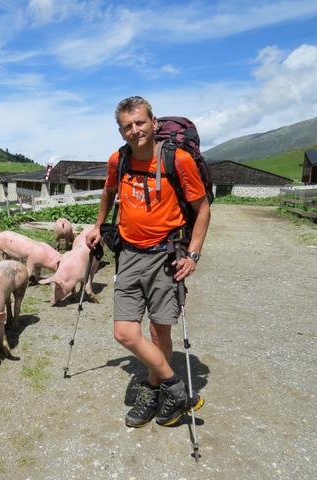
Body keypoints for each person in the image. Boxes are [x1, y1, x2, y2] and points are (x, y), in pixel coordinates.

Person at [86, 96, 211, 428]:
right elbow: (108, 193)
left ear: (154, 123)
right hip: (127, 255)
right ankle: (177, 388)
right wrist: (99, 225)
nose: (135, 130)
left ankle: (155, 389)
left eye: (140, 122)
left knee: (159, 331)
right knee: (125, 332)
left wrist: (194, 254)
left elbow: (203, 210)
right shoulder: (119, 160)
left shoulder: (178, 160)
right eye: (127, 126)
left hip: (165, 257)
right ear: (120, 130)